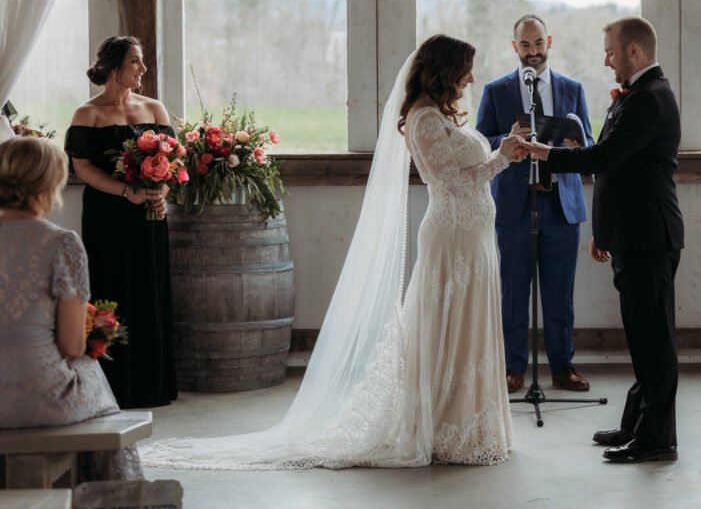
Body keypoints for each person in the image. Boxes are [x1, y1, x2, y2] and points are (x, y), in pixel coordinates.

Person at [142, 34, 524, 470]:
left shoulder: (442, 115)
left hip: (473, 237)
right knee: (448, 327)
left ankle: (470, 423)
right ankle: (443, 425)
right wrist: (502, 158)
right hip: (452, 238)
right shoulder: (423, 120)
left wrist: (500, 151)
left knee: (468, 325)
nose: (472, 77)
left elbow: (464, 172)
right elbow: (450, 182)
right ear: (446, 69)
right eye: (466, 68)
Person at [527, 16, 684, 464]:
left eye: (611, 51)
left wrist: (546, 153)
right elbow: (617, 174)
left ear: (634, 52)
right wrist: (605, 232)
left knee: (654, 341)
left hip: (649, 237)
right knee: (642, 337)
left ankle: (657, 440)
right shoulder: (637, 96)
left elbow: (605, 156)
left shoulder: (648, 99)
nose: (606, 60)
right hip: (631, 235)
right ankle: (636, 425)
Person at [0, 137, 144, 481]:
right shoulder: (61, 243)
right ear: (50, 183)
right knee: (89, 371)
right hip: (41, 396)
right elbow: (71, 346)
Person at [477, 14, 594, 393]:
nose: (533, 52)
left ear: (550, 42)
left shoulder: (572, 88)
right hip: (514, 204)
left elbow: (589, 142)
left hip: (560, 204)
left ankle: (562, 367)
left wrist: (577, 144)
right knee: (513, 291)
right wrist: (506, 139)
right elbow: (479, 144)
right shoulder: (496, 91)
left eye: (538, 43)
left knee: (560, 293)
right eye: (525, 45)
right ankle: (513, 368)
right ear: (514, 47)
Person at [64, 35, 177, 409]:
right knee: (113, 287)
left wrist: (160, 192)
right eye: (135, 62)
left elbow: (173, 160)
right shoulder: (88, 114)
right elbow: (81, 167)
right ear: (114, 67)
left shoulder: (155, 108)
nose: (142, 69)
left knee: (149, 287)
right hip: (107, 215)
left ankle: (153, 384)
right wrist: (124, 191)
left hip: (149, 215)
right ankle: (113, 384)